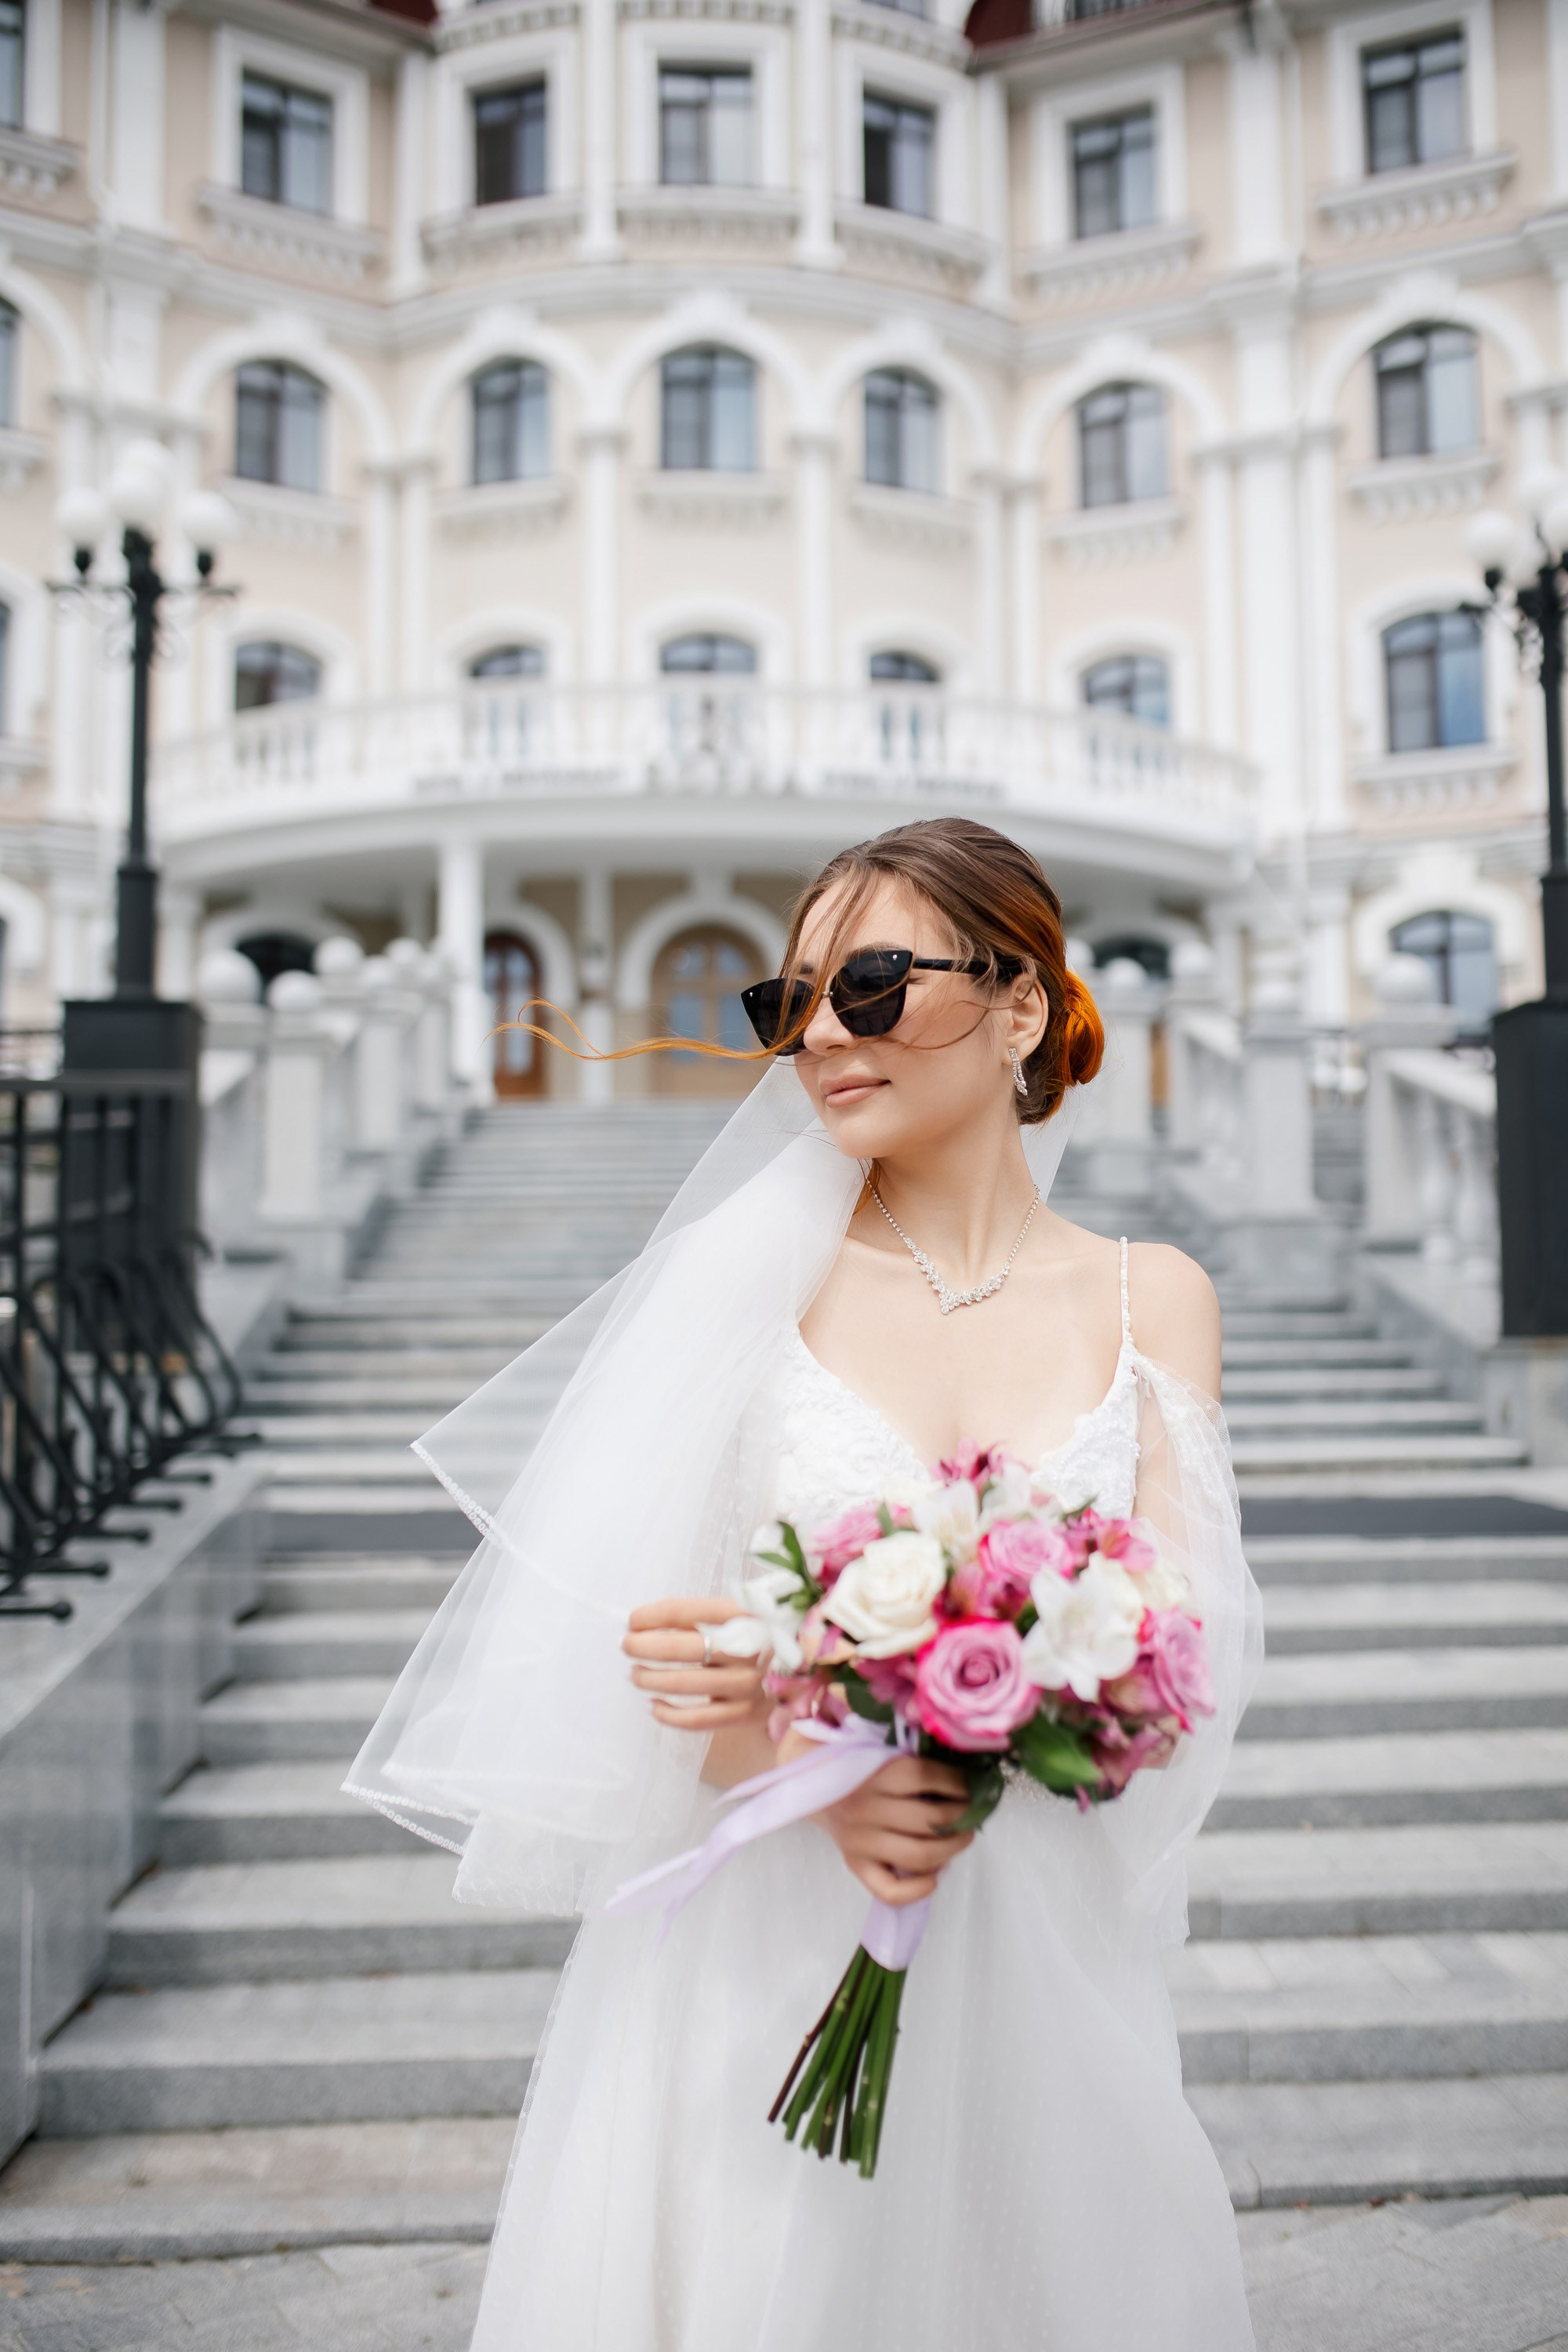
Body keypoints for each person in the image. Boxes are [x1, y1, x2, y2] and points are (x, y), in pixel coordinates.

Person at [347, 816, 1262, 2351]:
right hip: (765, 1948)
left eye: (875, 986)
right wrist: (789, 1748)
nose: (821, 1037)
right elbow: (623, 1667)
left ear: (1019, 1004)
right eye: (788, 1006)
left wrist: (1016, 1720)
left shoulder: (1152, 1298)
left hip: (1039, 1948)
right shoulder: (741, 1276)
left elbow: (1180, 1654)